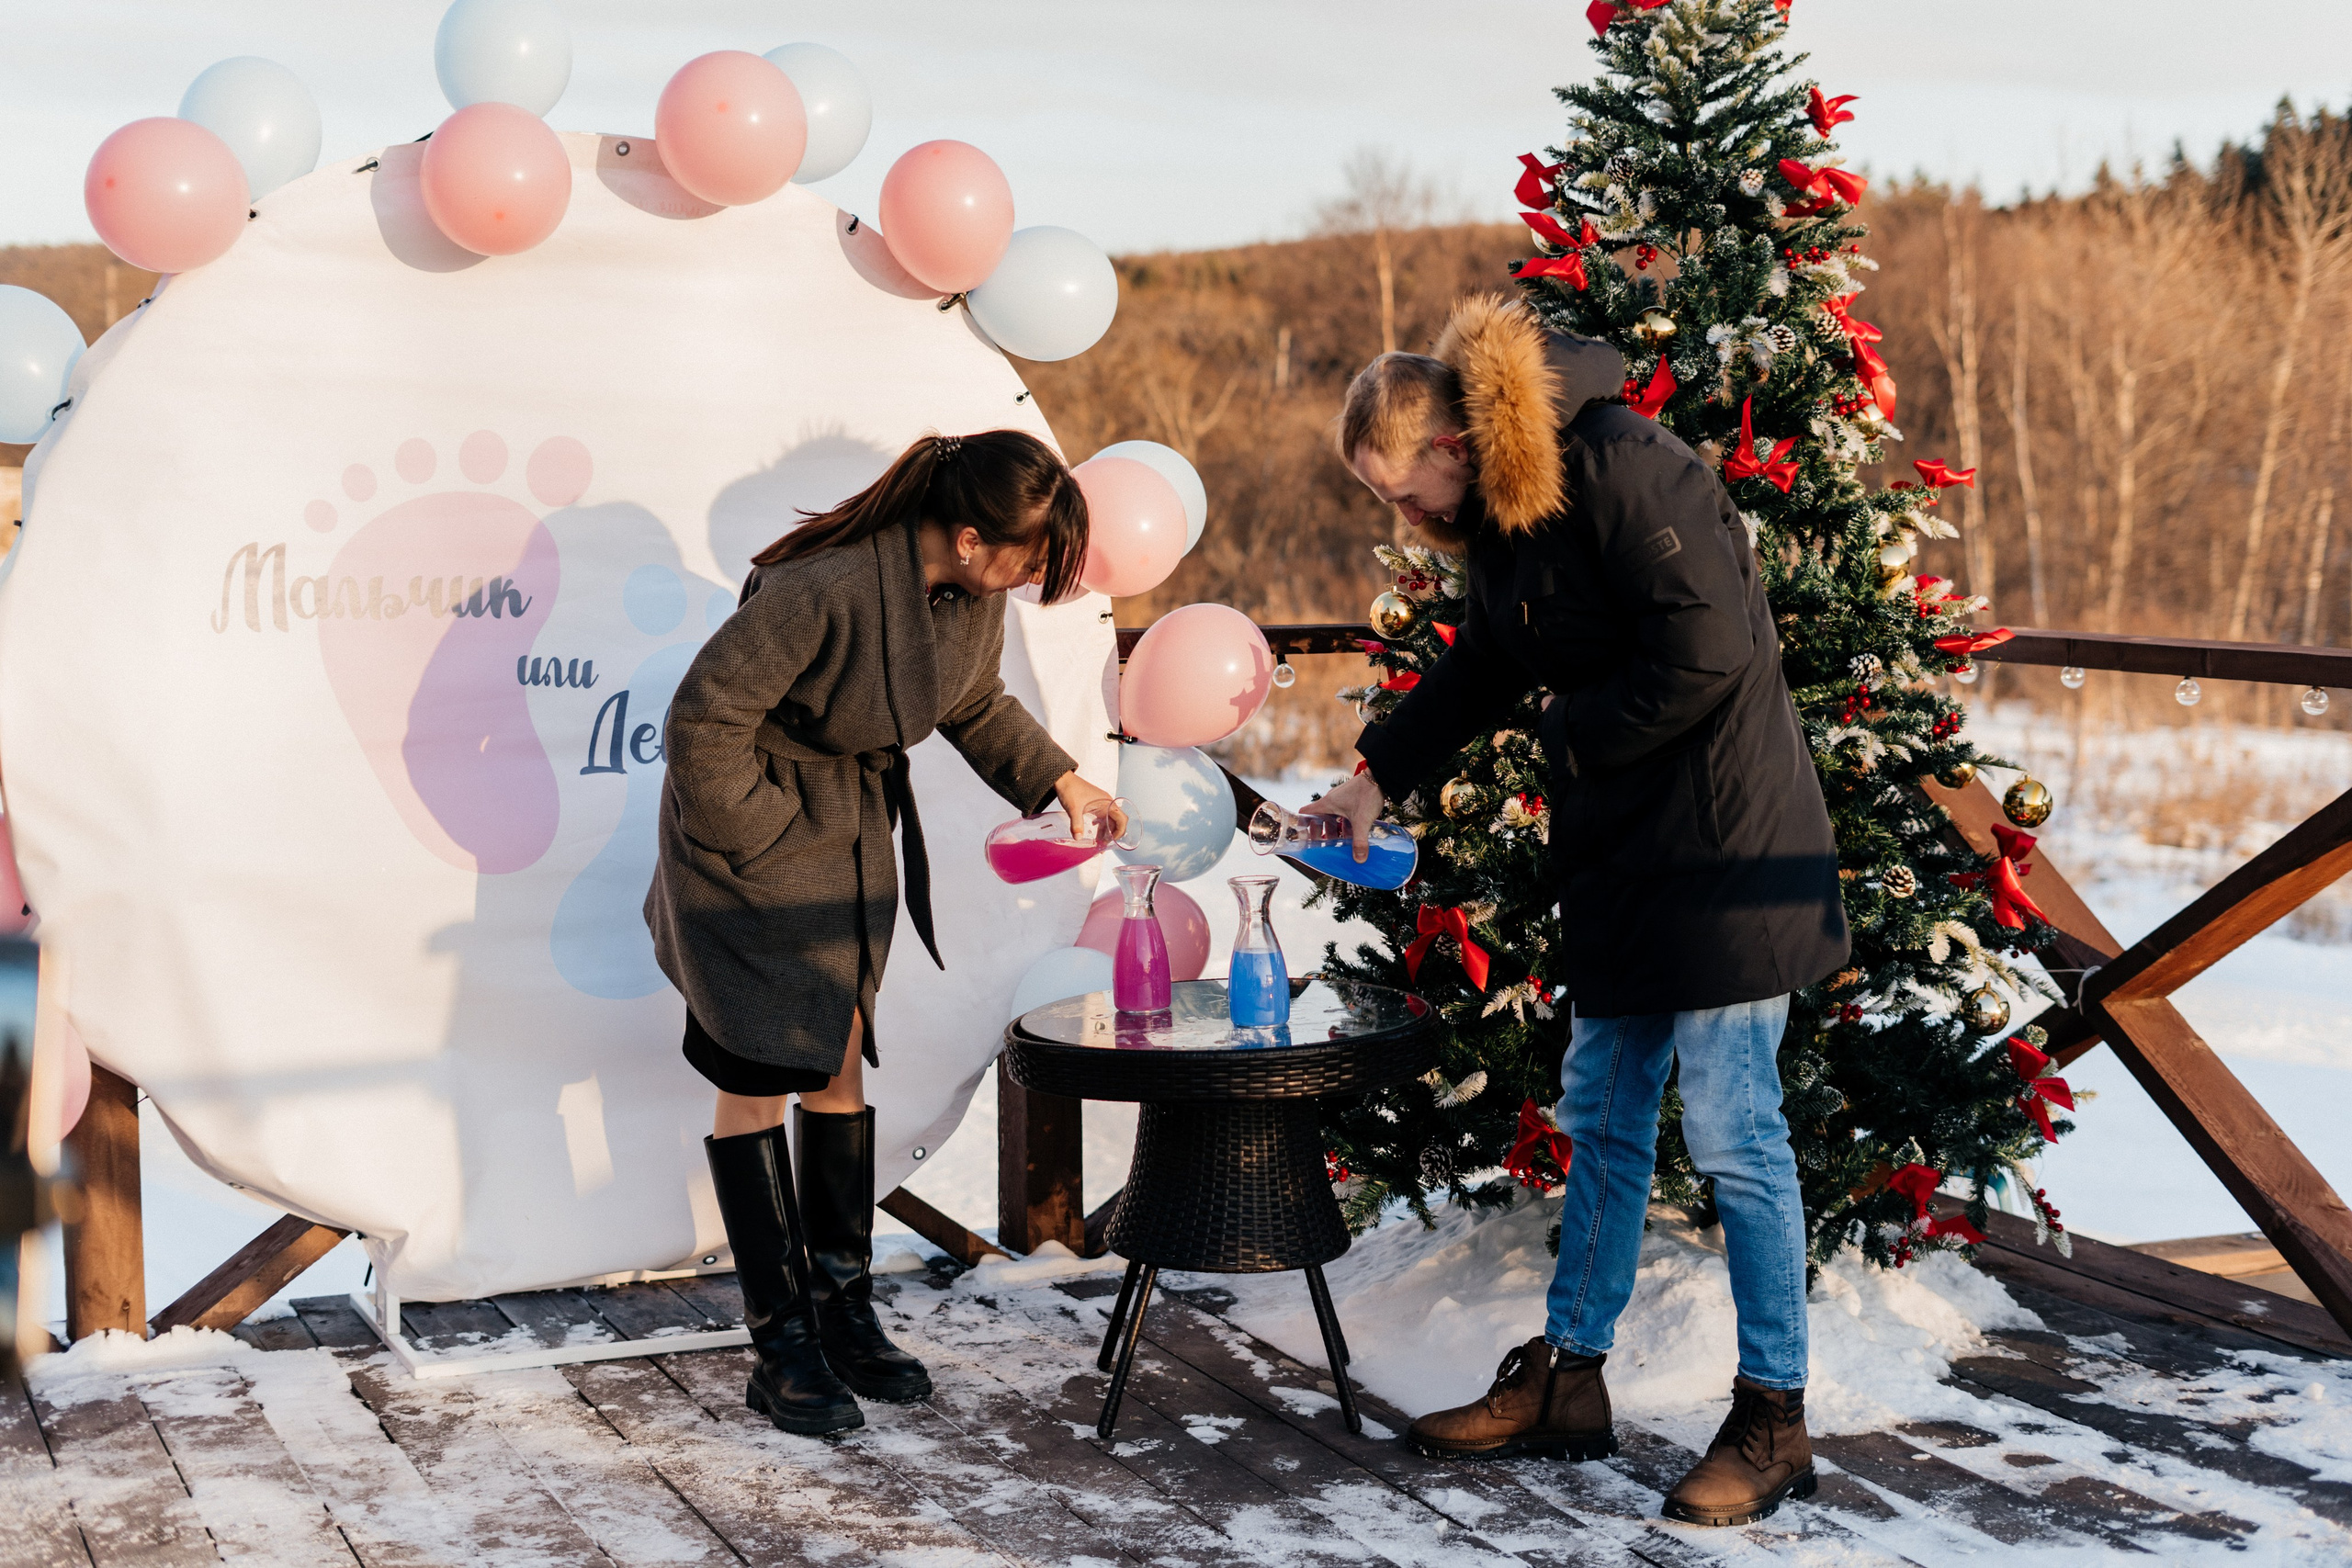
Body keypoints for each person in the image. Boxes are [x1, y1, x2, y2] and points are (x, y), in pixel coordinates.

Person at [1306, 297, 1849, 1526]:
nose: (1407, 517)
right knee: (1603, 1109)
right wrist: (1374, 773)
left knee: (1735, 1129)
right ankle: (1570, 1375)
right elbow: (1486, 658)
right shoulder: (1505, 510)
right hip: (1625, 848)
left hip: (1726, 846)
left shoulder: (1618, 459)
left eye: (1404, 491)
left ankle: (1775, 1413)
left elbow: (1708, 645)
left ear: (1452, 441)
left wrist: (1569, 730)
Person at [646, 430, 1126, 1436]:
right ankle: (779, 1348)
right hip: (747, 856)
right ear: (965, 534)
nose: (1038, 573)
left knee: (839, 1064)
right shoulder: (819, 588)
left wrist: (1060, 777)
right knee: (753, 1078)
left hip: (847, 844)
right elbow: (703, 717)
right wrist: (756, 835)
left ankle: (842, 1314)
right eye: (1032, 554)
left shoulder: (971, 595)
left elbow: (976, 703)